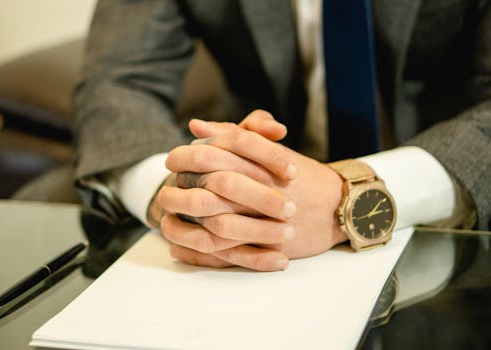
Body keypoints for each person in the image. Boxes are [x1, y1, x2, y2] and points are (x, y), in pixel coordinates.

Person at [70, 0, 490, 271]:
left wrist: (344, 195)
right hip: (249, 200)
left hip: (447, 194)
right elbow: (119, 80)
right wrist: (184, 196)